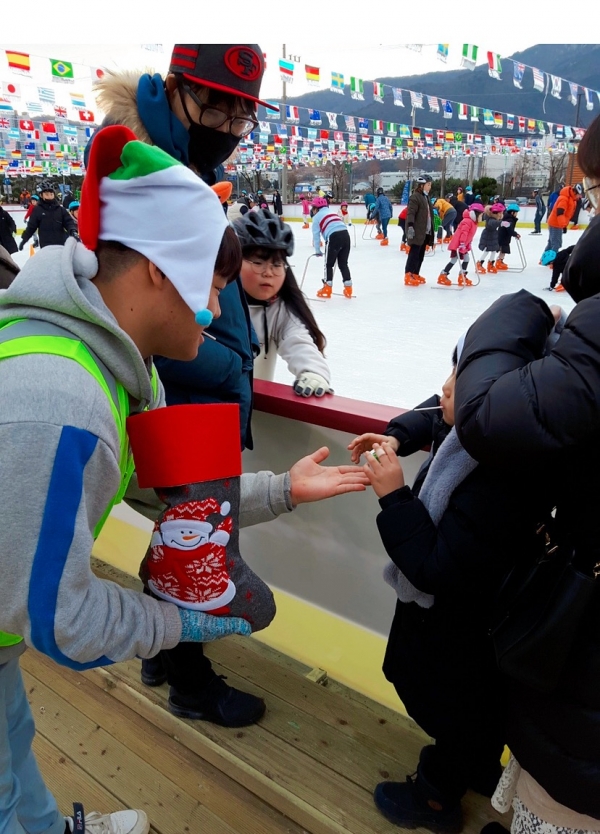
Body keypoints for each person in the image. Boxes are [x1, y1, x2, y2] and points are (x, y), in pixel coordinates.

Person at [0, 125, 370, 834]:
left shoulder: (111, 371)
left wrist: (283, 488)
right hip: (13, 619)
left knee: (14, 747)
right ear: (158, 270)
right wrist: (183, 621)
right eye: (216, 285)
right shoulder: (60, 402)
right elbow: (62, 623)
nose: (222, 311)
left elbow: (178, 496)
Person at [454, 114, 600, 834]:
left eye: (595, 195)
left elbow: (492, 417)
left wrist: (503, 323)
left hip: (585, 631)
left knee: (567, 779)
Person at [347, 348, 548, 834]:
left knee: (447, 701)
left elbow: (435, 566)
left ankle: (436, 794)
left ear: (486, 400)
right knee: (474, 704)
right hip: (481, 624)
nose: (444, 387)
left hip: (455, 622)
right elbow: (433, 413)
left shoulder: (498, 481)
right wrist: (396, 435)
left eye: (458, 380)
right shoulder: (497, 434)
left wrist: (394, 496)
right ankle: (476, 765)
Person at [92, 43, 277, 453]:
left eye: (241, 120)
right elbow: (128, 310)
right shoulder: (130, 164)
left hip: (208, 400)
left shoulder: (199, 165)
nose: (226, 132)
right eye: (214, 112)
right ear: (176, 87)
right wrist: (234, 364)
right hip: (176, 403)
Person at [235, 209, 332, 397]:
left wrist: (313, 371)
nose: (268, 272)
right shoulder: (215, 304)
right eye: (258, 262)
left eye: (277, 264)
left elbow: (298, 340)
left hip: (252, 414)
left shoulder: (279, 310)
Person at [311, 196, 353, 299]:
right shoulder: (332, 212)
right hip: (346, 235)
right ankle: (348, 288)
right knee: (343, 263)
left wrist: (317, 250)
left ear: (316, 208)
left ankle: (327, 288)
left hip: (333, 237)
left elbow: (316, 236)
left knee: (329, 264)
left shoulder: (316, 217)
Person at [18, 181, 78, 250]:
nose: (49, 197)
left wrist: (73, 230)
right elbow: (31, 227)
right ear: (41, 195)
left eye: (51, 194)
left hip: (61, 244)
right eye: (46, 194)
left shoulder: (60, 209)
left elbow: (68, 222)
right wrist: (24, 240)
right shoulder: (37, 210)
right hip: (46, 246)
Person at [437, 203, 484, 287]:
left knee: (466, 258)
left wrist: (468, 244)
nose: (481, 217)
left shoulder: (473, 222)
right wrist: (462, 243)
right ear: (475, 214)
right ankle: (443, 275)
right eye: (480, 215)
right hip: (458, 245)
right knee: (454, 260)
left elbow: (470, 235)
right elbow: (464, 233)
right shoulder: (467, 221)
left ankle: (462, 275)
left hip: (463, 245)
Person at [404, 175, 435, 287]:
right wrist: (410, 226)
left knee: (421, 254)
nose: (429, 187)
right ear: (422, 185)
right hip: (417, 229)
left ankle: (416, 273)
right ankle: (408, 274)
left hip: (425, 230)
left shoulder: (426, 197)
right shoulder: (415, 197)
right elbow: (410, 213)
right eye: (428, 185)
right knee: (414, 253)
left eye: (430, 185)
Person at [543, 184, 581, 261]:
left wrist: (564, 225)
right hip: (555, 223)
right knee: (556, 244)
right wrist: (563, 225)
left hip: (557, 223)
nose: (580, 197)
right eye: (579, 195)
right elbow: (560, 212)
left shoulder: (571, 199)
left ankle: (544, 259)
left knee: (552, 242)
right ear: (575, 192)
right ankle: (552, 261)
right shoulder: (564, 199)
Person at [475, 202, 504, 274]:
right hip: (487, 236)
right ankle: (479, 263)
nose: (501, 215)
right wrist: (501, 223)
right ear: (495, 213)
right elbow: (493, 223)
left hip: (493, 235)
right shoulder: (490, 219)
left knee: (494, 250)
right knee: (487, 250)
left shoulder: (494, 218)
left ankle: (491, 264)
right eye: (500, 213)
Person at [495, 201, 521, 270]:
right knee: (503, 250)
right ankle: (499, 262)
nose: (517, 214)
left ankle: (499, 261)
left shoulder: (508, 218)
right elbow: (510, 229)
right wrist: (515, 234)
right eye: (516, 212)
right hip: (503, 237)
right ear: (512, 213)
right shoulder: (510, 220)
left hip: (503, 237)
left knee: (502, 250)